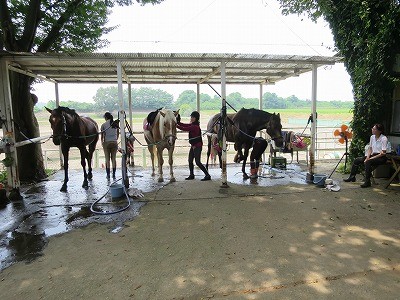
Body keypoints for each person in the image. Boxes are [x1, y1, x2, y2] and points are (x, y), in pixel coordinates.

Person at [343, 123, 388, 188]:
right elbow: (370, 148)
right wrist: (367, 157)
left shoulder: (384, 138)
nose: (372, 130)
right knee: (357, 160)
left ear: (379, 131)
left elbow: (383, 153)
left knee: (368, 162)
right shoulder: (372, 137)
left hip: (381, 157)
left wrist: (369, 159)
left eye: (374, 129)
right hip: (372, 155)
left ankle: (367, 181)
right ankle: (352, 177)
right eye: (372, 128)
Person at [177, 111, 211, 181]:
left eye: (193, 117)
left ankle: (207, 175)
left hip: (197, 146)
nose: (191, 118)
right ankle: (191, 175)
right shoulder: (193, 124)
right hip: (193, 146)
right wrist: (178, 122)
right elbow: (185, 125)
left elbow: (185, 128)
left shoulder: (195, 127)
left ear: (196, 118)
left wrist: (175, 125)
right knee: (190, 160)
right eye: (191, 117)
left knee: (198, 162)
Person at [101, 112, 119, 180]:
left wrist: (102, 143)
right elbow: (117, 134)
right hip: (114, 142)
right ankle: (114, 174)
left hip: (107, 143)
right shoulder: (115, 124)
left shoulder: (103, 125)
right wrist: (115, 139)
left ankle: (108, 175)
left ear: (105, 117)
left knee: (107, 159)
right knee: (113, 159)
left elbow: (102, 136)